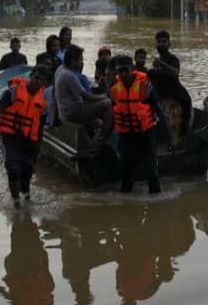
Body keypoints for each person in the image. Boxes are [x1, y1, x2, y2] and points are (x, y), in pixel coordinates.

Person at [0, 65, 48, 208]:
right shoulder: (12, 92)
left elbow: (40, 131)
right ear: (30, 77)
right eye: (36, 78)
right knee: (13, 169)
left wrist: (35, 157)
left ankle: (27, 201)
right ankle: (16, 205)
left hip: (28, 140)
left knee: (27, 174)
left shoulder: (42, 102)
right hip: (9, 136)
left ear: (44, 83)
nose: (38, 82)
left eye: (41, 80)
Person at [110, 55, 170, 194]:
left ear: (132, 69)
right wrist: (105, 137)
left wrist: (168, 135)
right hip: (126, 136)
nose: (124, 74)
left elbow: (159, 110)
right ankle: (127, 206)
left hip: (146, 134)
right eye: (120, 71)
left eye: (126, 70)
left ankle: (155, 204)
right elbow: (113, 115)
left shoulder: (145, 86)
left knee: (151, 171)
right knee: (126, 172)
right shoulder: (114, 90)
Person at [54, 44, 113, 148]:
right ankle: (101, 138)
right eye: (80, 59)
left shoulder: (60, 69)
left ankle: (93, 140)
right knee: (108, 105)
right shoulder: (69, 75)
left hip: (64, 111)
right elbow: (87, 97)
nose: (81, 62)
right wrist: (104, 97)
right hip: (72, 112)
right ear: (73, 61)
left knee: (98, 122)